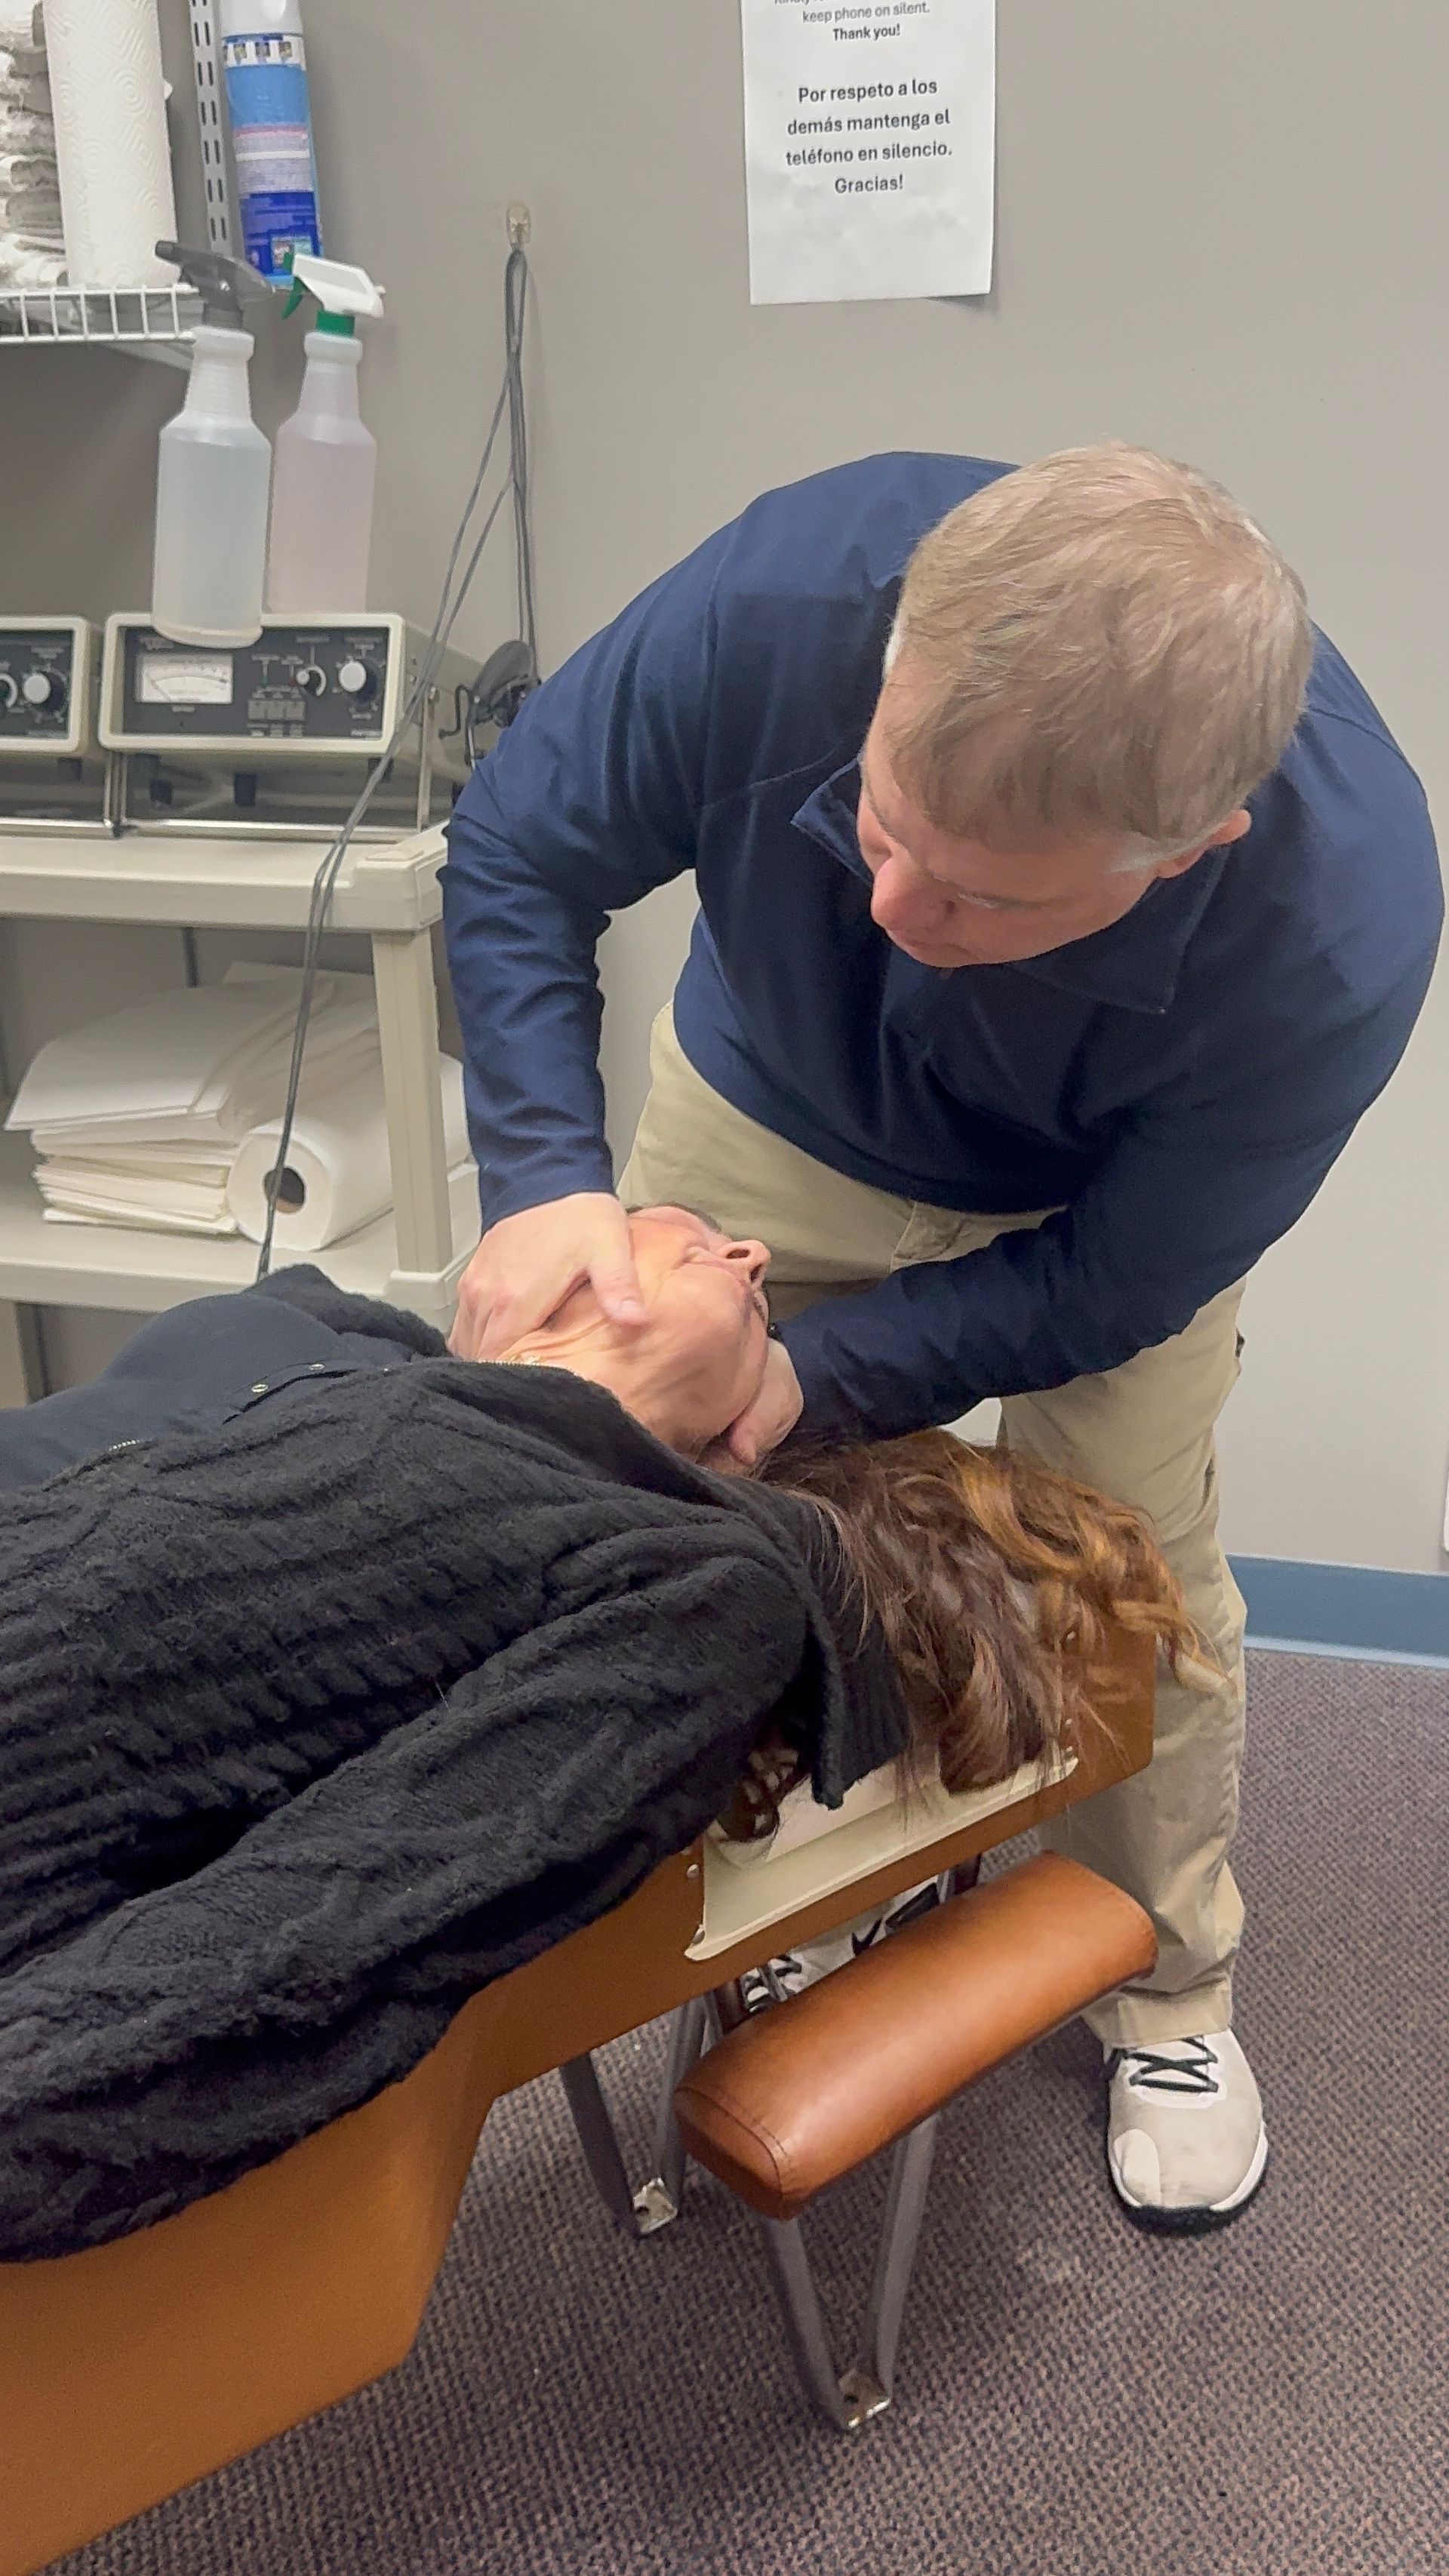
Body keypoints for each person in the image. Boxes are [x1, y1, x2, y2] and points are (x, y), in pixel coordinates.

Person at [441, 443, 1444, 2230]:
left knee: (1133, 1571)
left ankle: (1170, 1983)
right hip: (773, 1106)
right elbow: (520, 844)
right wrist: (537, 1176)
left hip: (1086, 1211)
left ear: (1194, 848)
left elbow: (1115, 1285)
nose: (895, 914)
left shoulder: (1336, 924)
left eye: (984, 895)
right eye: (877, 828)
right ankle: (789, 1917)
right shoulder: (780, 602)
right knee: (681, 1522)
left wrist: (816, 1374)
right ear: (888, 661)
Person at [0, 1212, 1189, 2259]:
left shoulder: (695, 1570)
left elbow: (307, 1943)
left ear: (739, 1442)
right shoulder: (313, 1324)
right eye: (664, 1226)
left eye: (744, 1273)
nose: (749, 1251)